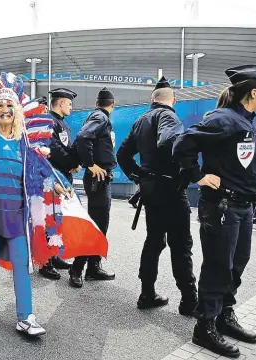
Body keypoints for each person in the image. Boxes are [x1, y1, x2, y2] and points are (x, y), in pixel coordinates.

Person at [0, 73, 104, 337]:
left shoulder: (24, 144)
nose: (4, 111)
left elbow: (41, 168)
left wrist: (57, 183)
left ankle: (25, 316)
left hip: (16, 217)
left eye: (9, 107)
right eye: (0, 107)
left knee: (22, 264)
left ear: (17, 112)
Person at [173, 65, 256, 358]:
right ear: (253, 92)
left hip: (242, 208)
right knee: (218, 266)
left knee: (236, 263)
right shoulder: (224, 119)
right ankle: (205, 327)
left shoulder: (245, 121)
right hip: (223, 207)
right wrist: (197, 175)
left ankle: (224, 315)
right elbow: (183, 144)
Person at [117, 76, 197, 314]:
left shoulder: (141, 120)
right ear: (173, 100)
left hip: (151, 191)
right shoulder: (168, 115)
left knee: (154, 242)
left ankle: (147, 294)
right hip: (171, 190)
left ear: (153, 99)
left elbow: (123, 155)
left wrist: (139, 176)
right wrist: (185, 167)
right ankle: (189, 300)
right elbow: (169, 140)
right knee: (181, 245)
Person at [69, 87, 117, 288]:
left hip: (101, 177)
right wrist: (90, 164)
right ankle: (78, 268)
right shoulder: (100, 117)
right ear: (112, 105)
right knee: (96, 225)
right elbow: (82, 138)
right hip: (98, 177)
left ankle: (93, 267)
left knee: (100, 224)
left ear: (97, 102)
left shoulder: (96, 115)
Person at [38, 88, 81, 280]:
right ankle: (44, 262)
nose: (71, 107)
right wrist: (72, 163)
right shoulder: (48, 122)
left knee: (58, 220)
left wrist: (76, 164)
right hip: (51, 179)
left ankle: (54, 256)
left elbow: (67, 148)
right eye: (69, 103)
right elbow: (54, 150)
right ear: (61, 103)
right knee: (48, 219)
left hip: (63, 178)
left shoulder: (62, 124)